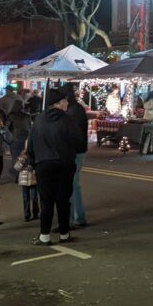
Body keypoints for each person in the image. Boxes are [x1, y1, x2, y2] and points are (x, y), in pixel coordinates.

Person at [27, 88, 80, 246]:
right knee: (63, 200)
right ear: (57, 103)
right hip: (64, 163)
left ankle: (45, 236)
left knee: (46, 201)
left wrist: (33, 161)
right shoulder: (67, 120)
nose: (67, 103)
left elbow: (31, 145)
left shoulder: (39, 120)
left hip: (44, 164)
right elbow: (78, 141)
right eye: (64, 101)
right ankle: (64, 234)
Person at [63, 84, 90, 228]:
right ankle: (76, 216)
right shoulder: (76, 109)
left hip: (75, 152)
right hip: (78, 150)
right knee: (72, 184)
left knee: (72, 185)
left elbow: (72, 134)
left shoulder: (73, 111)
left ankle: (77, 217)